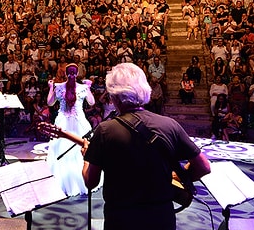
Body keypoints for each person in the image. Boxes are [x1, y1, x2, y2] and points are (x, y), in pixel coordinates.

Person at [81, 63, 211, 230]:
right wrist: (178, 177)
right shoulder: (169, 125)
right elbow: (204, 167)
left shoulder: (105, 130)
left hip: (121, 218)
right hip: (161, 216)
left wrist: (86, 158)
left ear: (114, 97)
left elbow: (91, 182)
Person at [46, 63, 98, 196]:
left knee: (61, 148)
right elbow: (92, 102)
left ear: (65, 73)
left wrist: (51, 88)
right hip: (79, 121)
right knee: (81, 148)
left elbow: (50, 103)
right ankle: (83, 177)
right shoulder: (83, 87)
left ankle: (61, 180)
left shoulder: (58, 87)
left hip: (63, 121)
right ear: (78, 73)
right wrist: (89, 88)